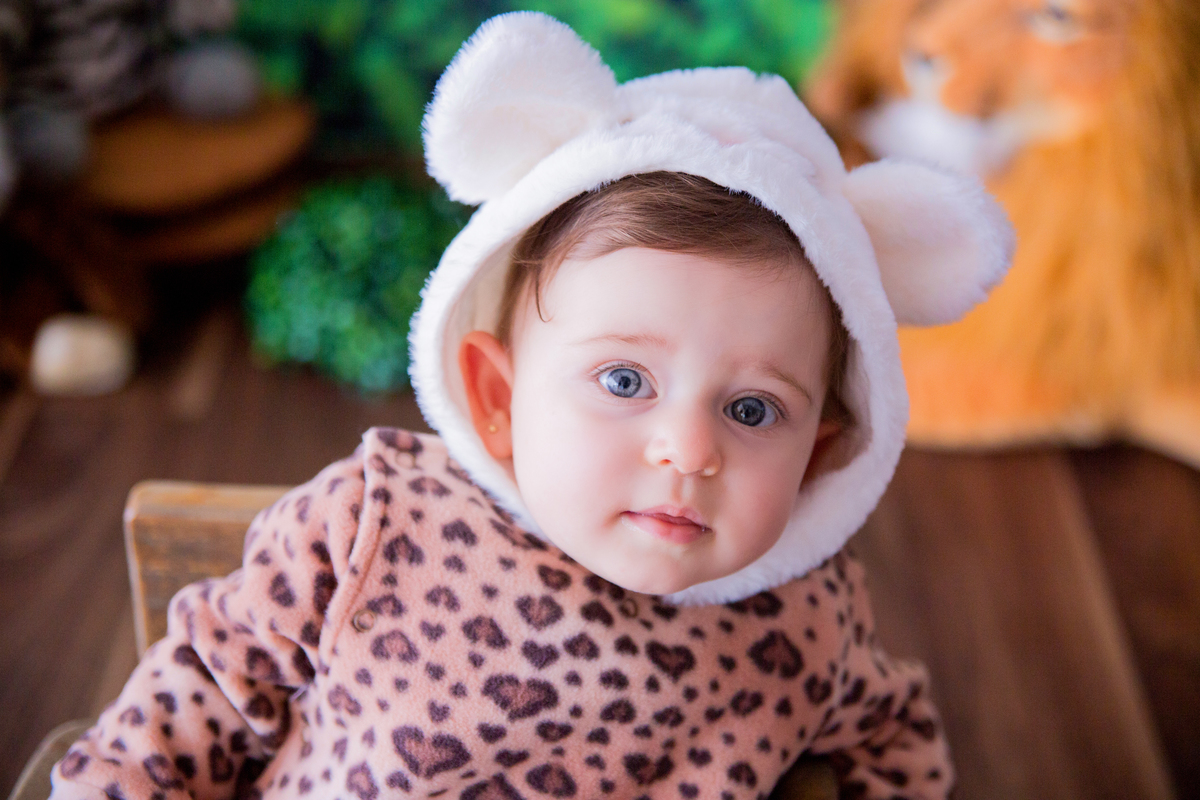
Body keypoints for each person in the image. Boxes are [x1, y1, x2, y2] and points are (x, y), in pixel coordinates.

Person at [50, 12, 1013, 800]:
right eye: (626, 382)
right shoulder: (373, 529)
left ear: (819, 452)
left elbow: (896, 739)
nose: (688, 451)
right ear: (498, 398)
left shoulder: (807, 627)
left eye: (754, 410)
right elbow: (197, 701)